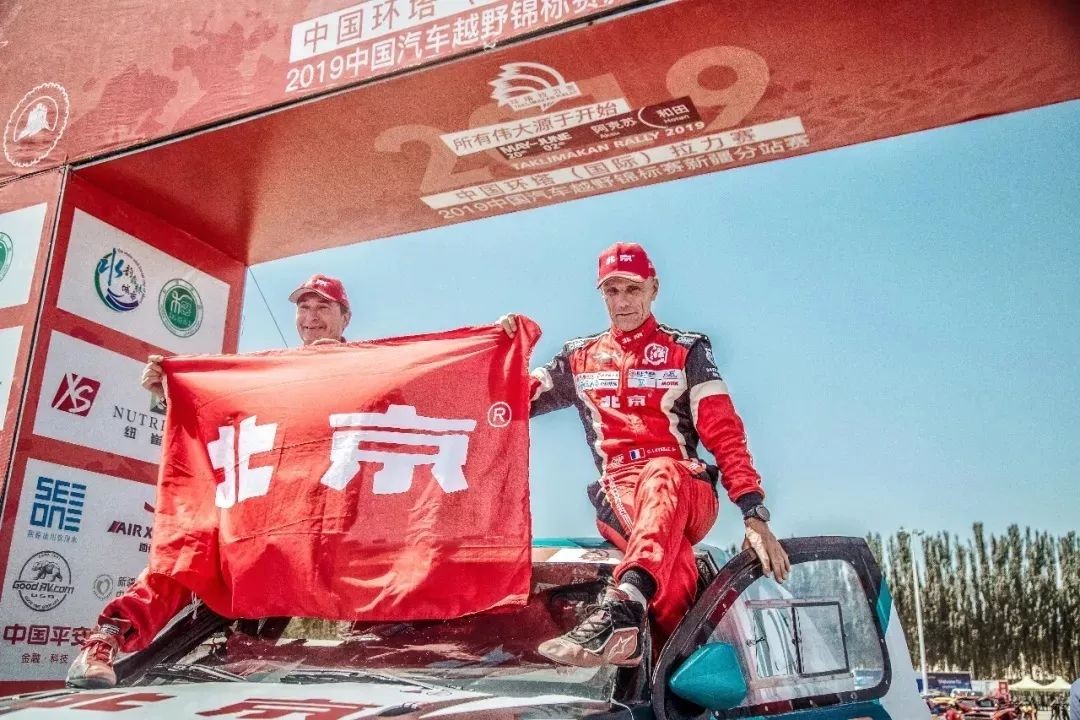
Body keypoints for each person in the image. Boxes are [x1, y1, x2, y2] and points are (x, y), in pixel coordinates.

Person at [501, 242, 789, 667]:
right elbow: (507, 400)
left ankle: (623, 605)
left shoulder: (688, 349)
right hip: (621, 493)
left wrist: (753, 513)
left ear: (654, 289)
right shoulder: (577, 358)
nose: (622, 301)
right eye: (612, 291)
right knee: (677, 570)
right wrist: (504, 348)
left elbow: (725, 431)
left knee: (662, 471)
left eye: (632, 289)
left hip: (686, 488)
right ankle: (674, 673)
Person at [66, 274, 352, 688]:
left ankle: (418, 653)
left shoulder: (368, 367)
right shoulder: (271, 372)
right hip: (265, 504)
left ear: (345, 317)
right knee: (190, 550)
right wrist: (176, 392)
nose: (311, 317)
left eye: (323, 307)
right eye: (304, 308)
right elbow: (222, 416)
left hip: (333, 512)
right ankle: (105, 641)